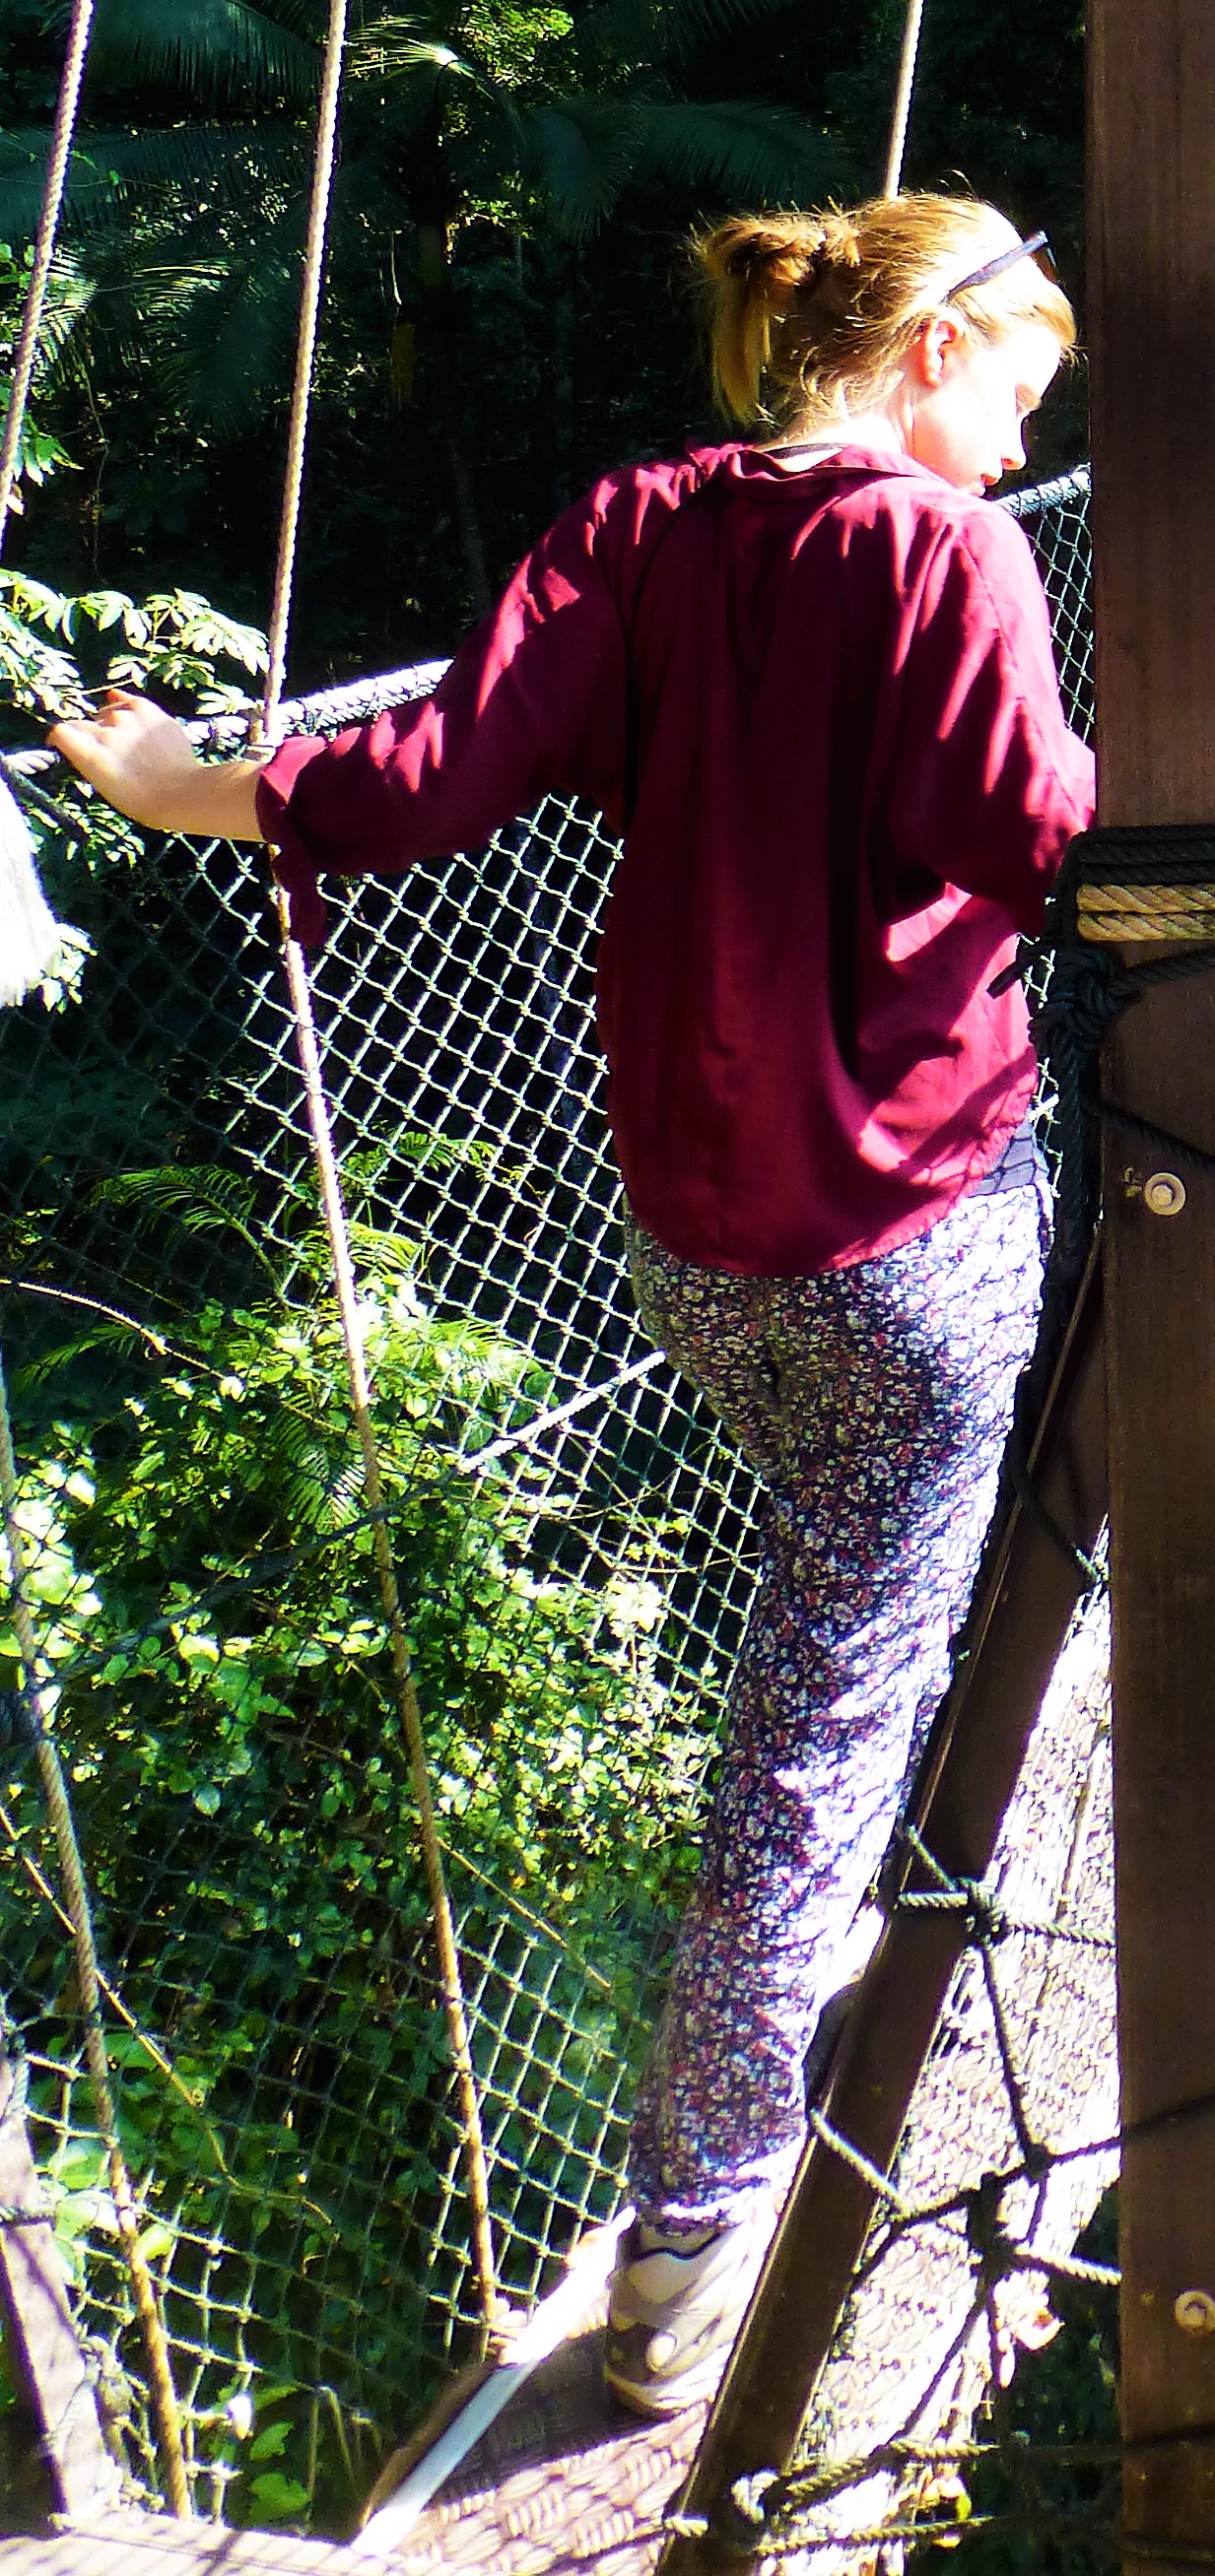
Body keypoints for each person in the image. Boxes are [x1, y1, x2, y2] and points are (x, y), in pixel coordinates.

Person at [51, 193, 1094, 2417]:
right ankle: (697, 2225)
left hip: (696, 1247)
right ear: (930, 357)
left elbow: (433, 779)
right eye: (1015, 399)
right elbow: (1053, 845)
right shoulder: (945, 558)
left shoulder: (637, 524)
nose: (1015, 457)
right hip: (903, 1247)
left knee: (841, 1618)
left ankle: (875, 1813)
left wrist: (170, 782)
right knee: (827, 1705)